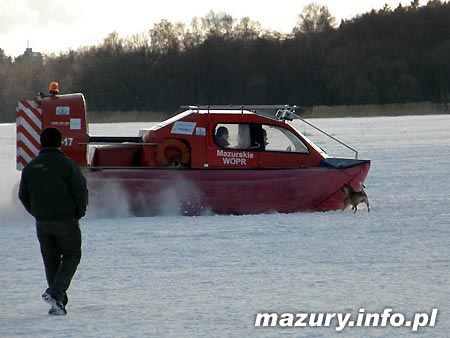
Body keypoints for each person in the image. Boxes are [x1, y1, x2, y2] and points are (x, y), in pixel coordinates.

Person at [18, 127, 88, 316]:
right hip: (66, 220)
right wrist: (78, 213)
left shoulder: (30, 167)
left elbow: (22, 195)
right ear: (59, 143)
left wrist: (37, 212)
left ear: (41, 143)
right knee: (72, 255)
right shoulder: (67, 165)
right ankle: (56, 293)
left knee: (51, 261)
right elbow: (80, 191)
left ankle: (58, 303)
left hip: (43, 222)